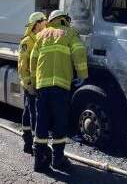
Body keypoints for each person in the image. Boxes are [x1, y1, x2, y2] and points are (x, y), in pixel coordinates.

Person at [30, 10, 88, 171]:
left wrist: (34, 82)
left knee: (41, 121)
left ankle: (39, 159)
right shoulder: (69, 33)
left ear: (50, 21)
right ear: (65, 20)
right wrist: (83, 74)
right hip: (61, 86)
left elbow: (33, 61)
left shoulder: (42, 35)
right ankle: (58, 159)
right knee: (60, 121)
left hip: (42, 87)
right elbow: (79, 52)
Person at [18, 12, 47, 154]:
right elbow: (22, 65)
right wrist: (28, 84)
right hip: (30, 84)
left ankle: (29, 144)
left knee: (29, 112)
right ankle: (32, 144)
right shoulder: (27, 41)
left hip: (37, 83)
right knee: (32, 114)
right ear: (36, 24)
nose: (46, 23)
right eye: (43, 21)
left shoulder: (40, 38)